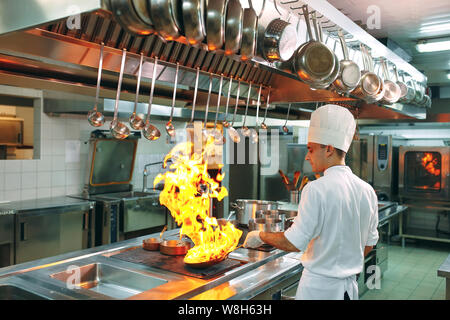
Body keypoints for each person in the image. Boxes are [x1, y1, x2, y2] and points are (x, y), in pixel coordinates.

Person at [243, 104, 379, 300]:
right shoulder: (366, 190)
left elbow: (294, 242)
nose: (307, 156)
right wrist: (344, 264)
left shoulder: (316, 189)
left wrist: (260, 235)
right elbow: (369, 243)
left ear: (329, 149)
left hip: (318, 291)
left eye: (311, 149)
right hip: (349, 290)